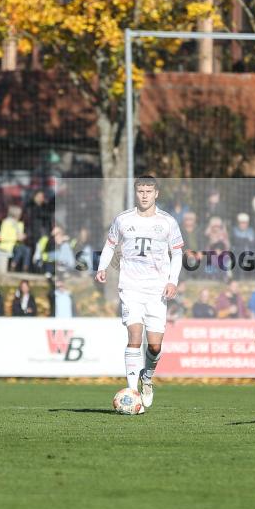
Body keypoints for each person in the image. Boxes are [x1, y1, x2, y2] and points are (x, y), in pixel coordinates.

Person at [95, 175, 183, 410]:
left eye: (148, 191)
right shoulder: (123, 220)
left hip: (157, 291)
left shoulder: (167, 222)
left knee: (154, 347)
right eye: (140, 191)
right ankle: (132, 392)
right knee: (134, 336)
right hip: (130, 287)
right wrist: (102, 266)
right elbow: (110, 245)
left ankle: (147, 377)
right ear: (136, 193)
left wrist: (172, 281)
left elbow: (177, 254)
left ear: (156, 194)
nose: (144, 195)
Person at [0, 205, 30, 272]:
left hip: (16, 244)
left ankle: (25, 269)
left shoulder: (20, 224)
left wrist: (23, 236)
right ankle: (13, 266)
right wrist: (16, 238)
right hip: (7, 245)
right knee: (20, 250)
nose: (20, 215)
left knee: (27, 250)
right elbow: (2, 237)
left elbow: (20, 236)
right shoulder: (6, 223)